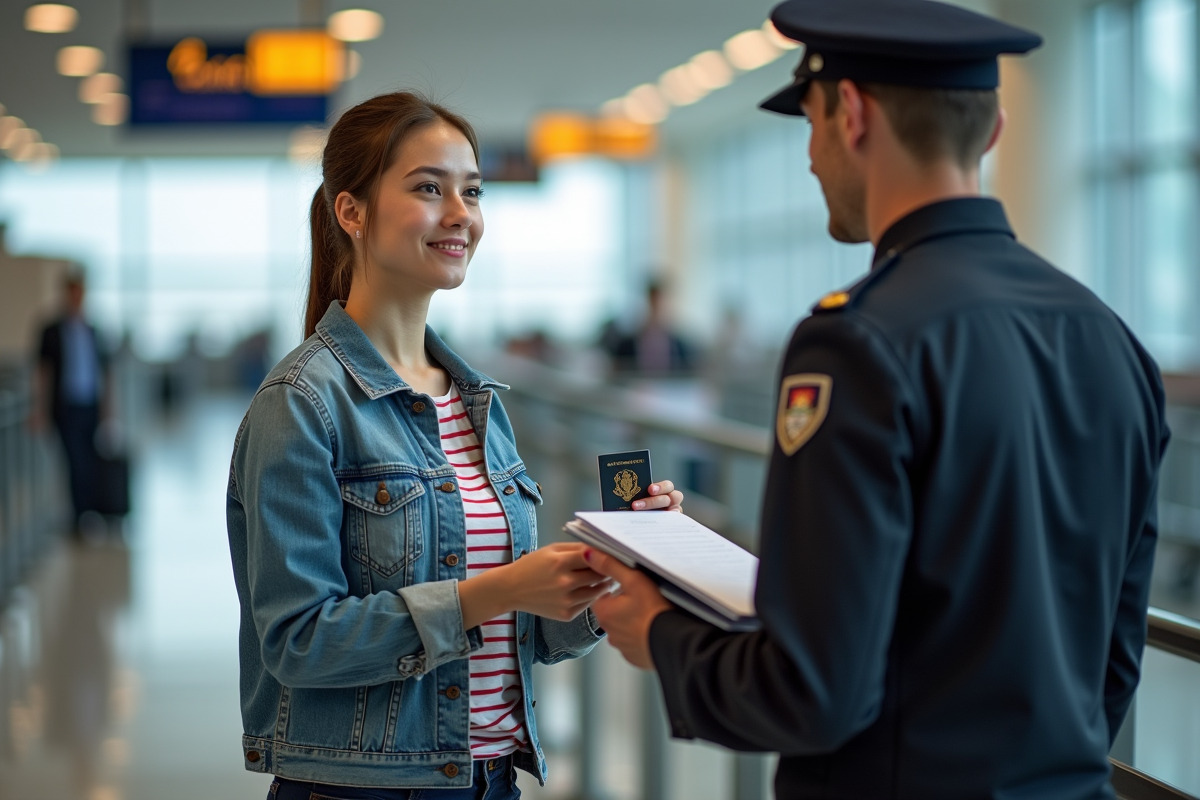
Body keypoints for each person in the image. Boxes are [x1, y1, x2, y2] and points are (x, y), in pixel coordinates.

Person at [587, 2, 1170, 799]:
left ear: (851, 113)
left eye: (810, 124)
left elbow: (815, 693)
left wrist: (660, 633)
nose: (810, 159)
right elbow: (1113, 658)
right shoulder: (1110, 339)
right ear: (993, 129)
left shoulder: (856, 342)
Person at [224, 92, 683, 800]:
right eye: (428, 188)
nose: (460, 214)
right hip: (367, 787)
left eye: (471, 191)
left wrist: (600, 575)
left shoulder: (477, 402)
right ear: (351, 212)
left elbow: (513, 632)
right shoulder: (303, 403)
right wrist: (495, 590)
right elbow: (297, 642)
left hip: (491, 778)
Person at [34, 271, 110, 536]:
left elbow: (104, 372)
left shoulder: (93, 330)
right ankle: (80, 519)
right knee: (75, 462)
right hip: (65, 407)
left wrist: (108, 410)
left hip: (89, 405)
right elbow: (42, 372)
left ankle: (88, 514)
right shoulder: (51, 330)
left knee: (88, 462)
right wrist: (39, 409)